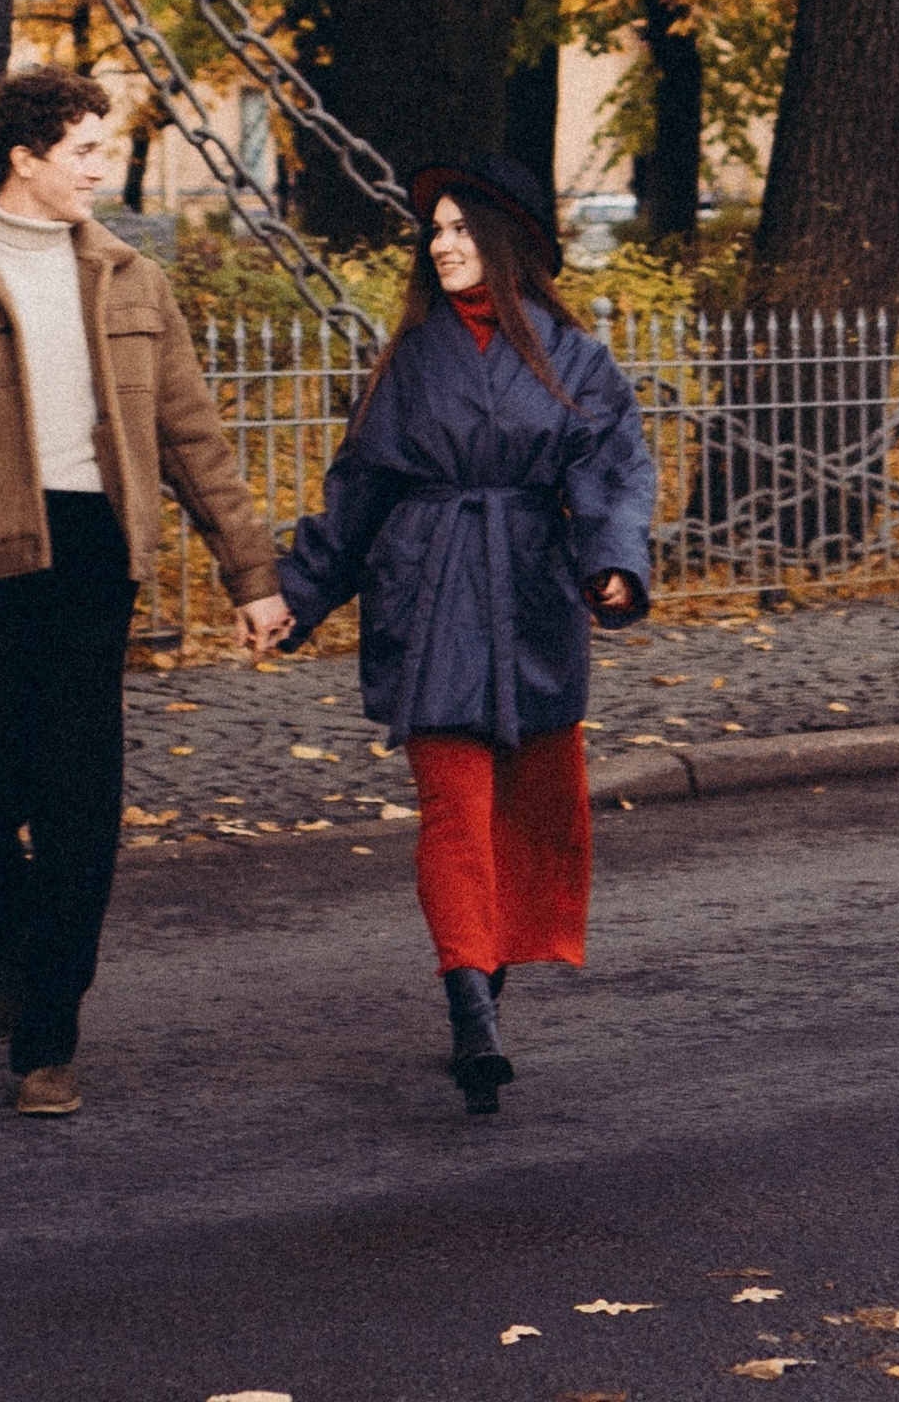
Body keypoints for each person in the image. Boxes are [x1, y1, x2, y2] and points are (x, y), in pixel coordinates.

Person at [0, 67, 291, 1116]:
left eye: (104, 150)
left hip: (96, 560)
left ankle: (48, 1034)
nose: (103, 169)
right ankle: (6, 936)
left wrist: (253, 575)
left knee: (76, 803)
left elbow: (194, 440)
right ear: (26, 158)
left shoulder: (132, 282)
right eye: (86, 152)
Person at [276, 150, 655, 1115]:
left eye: (458, 229)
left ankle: (489, 975)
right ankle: (468, 1011)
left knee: (526, 807)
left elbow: (611, 473)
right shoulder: (411, 358)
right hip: (429, 583)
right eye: (433, 231)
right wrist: (295, 593)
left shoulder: (578, 360)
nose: (440, 245)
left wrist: (612, 563)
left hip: (531, 588)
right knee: (453, 804)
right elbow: (357, 493)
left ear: (508, 243)